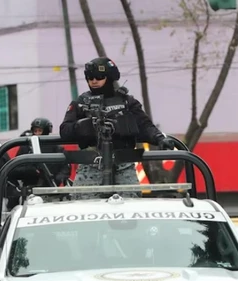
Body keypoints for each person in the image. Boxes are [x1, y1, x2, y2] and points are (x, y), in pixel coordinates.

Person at [60, 57, 174, 198]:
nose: (94, 81)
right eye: (90, 77)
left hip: (123, 165)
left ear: (109, 77)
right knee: (84, 208)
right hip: (90, 166)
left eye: (99, 77)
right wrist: (83, 127)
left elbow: (145, 126)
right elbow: (64, 131)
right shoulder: (81, 103)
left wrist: (160, 138)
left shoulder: (127, 102)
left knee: (128, 209)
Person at [16, 117, 71, 187]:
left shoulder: (56, 148)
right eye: (35, 131)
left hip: (51, 187)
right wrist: (30, 170)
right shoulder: (26, 148)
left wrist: (58, 178)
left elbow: (65, 168)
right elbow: (15, 168)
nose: (37, 134)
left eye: (40, 131)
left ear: (46, 131)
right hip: (30, 187)